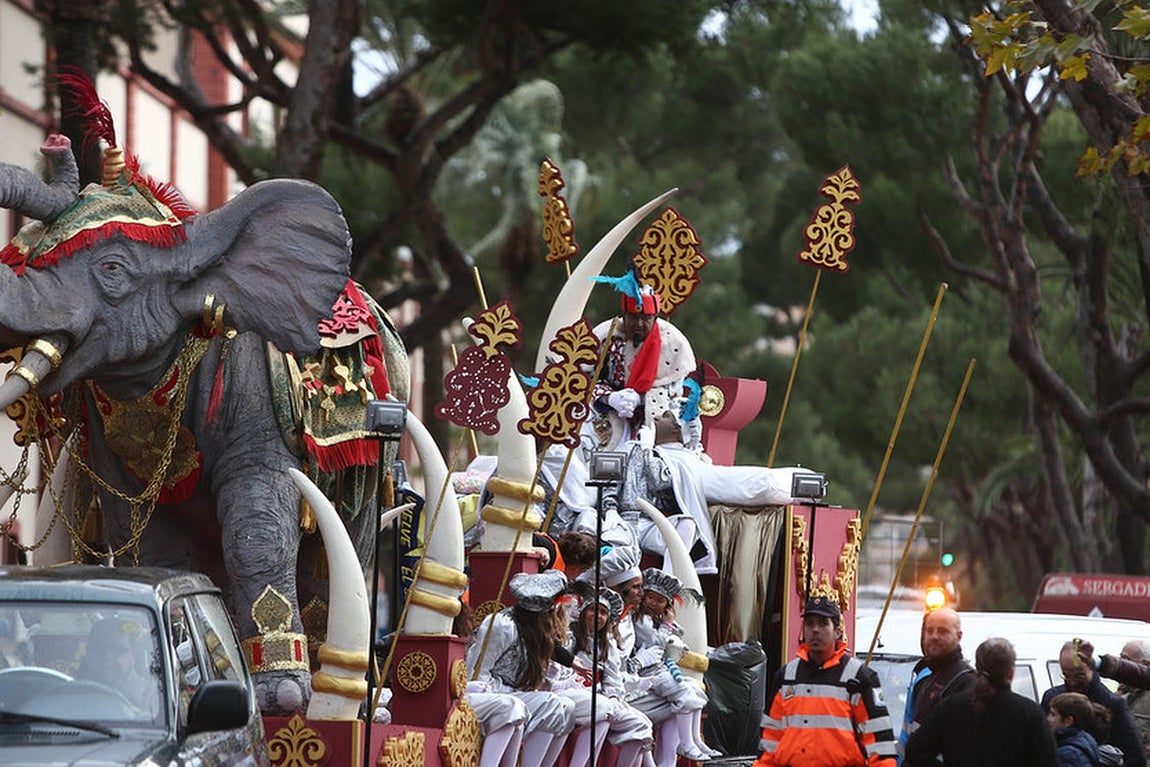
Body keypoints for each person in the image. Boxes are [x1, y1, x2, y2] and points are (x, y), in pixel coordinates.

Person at [755, 596, 897, 767]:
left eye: (823, 623)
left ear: (837, 631)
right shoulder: (786, 677)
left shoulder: (858, 678)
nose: (815, 630)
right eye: (809, 623)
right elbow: (769, 742)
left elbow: (881, 747)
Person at [466, 570, 578, 767]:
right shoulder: (503, 625)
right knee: (538, 705)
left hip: (516, 693)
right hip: (491, 693)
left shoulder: (536, 634)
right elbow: (477, 673)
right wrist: (508, 692)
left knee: (566, 707)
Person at [587, 270, 697, 451]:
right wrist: (609, 398)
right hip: (607, 414)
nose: (639, 324)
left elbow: (673, 393)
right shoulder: (606, 336)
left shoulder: (672, 342)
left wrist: (640, 398)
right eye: (633, 317)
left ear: (655, 317)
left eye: (645, 318)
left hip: (656, 418)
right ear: (624, 315)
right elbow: (588, 379)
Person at [904, 636, 1057, 767]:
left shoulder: (949, 708)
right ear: (1010, 673)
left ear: (976, 669)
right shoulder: (1029, 713)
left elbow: (915, 751)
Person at [1043, 640, 1146, 767]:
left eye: (1079, 676)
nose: (1073, 682)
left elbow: (1134, 757)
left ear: (1092, 669)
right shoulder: (1052, 698)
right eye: (1066, 676)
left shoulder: (1112, 703)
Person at [896, 607, 975, 764]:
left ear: (959, 636)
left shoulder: (967, 683)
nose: (934, 636)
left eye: (943, 631)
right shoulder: (925, 680)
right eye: (929, 631)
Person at [76, 617, 162, 718]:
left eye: (118, 650)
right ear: (89, 652)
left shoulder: (152, 696)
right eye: (101, 649)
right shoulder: (71, 694)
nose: (108, 657)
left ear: (134, 654)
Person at [1048, 692, 1101, 767]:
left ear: (1068, 721)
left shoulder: (1067, 754)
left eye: (1053, 714)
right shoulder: (1084, 738)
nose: (1048, 719)